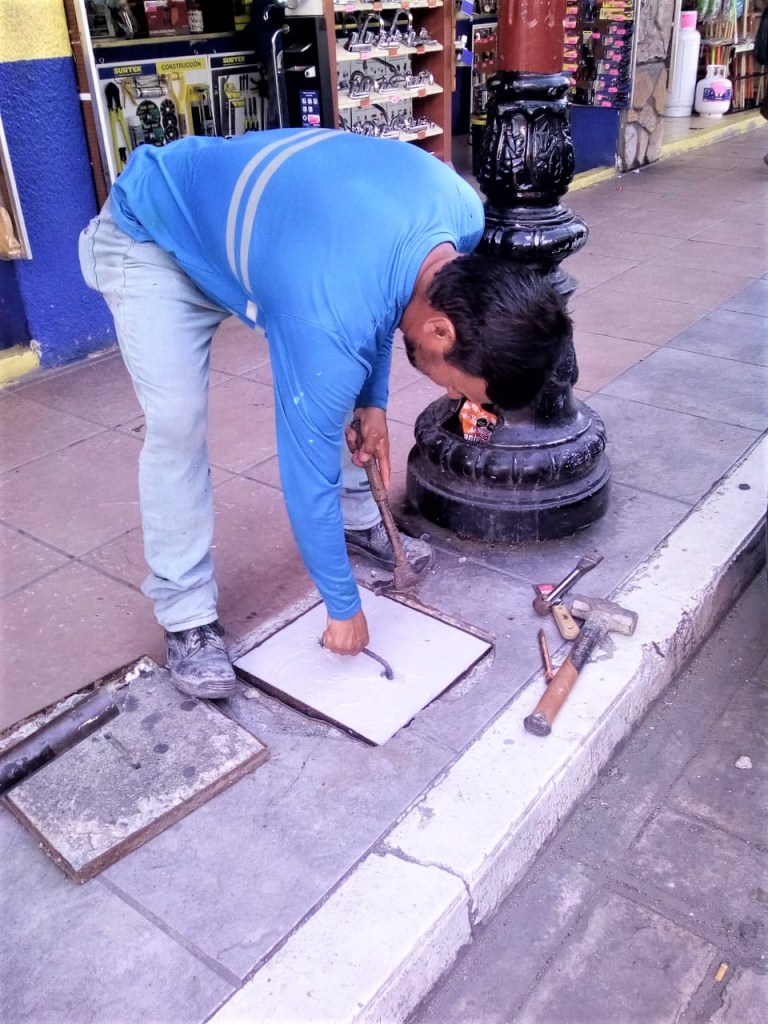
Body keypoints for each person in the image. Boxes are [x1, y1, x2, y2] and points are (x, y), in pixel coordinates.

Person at [79, 127, 571, 700]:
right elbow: (304, 473)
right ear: (442, 330)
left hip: (276, 248)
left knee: (336, 374)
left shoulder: (458, 216)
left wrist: (374, 403)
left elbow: (391, 296)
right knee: (178, 425)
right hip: (155, 236)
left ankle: (358, 521)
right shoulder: (328, 312)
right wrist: (342, 606)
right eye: (461, 388)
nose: (457, 397)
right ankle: (185, 614)